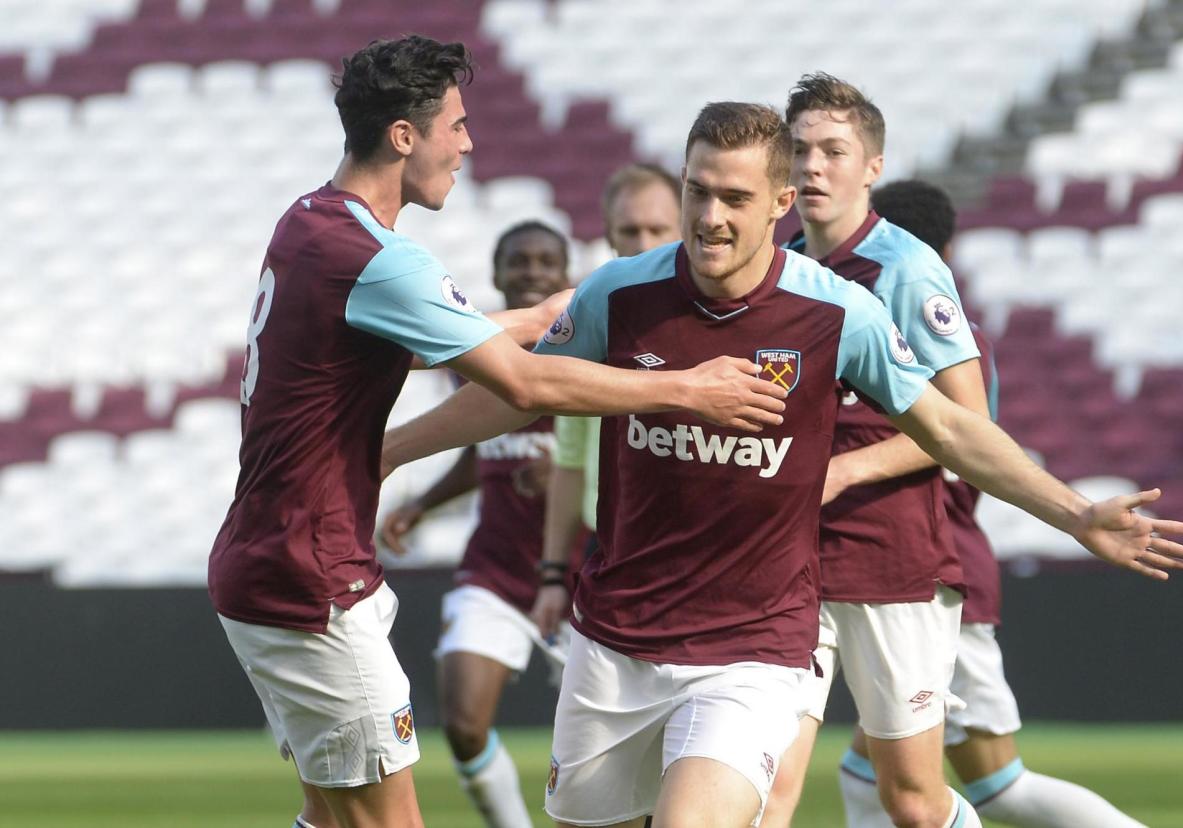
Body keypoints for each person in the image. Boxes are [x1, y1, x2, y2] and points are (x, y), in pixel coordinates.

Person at [379, 101, 1183, 828]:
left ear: (779, 204)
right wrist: (382, 454)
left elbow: (950, 428)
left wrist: (1072, 511)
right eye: (698, 191)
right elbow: (520, 395)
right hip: (618, 637)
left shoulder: (838, 312)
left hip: (754, 646)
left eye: (734, 198)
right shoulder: (617, 295)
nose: (709, 216)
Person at [206, 36, 787, 828]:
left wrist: (537, 317)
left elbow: (390, 341)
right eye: (456, 125)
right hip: (309, 576)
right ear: (404, 136)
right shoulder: (379, 257)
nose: (469, 143)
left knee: (332, 816)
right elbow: (521, 384)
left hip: (273, 556)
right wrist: (686, 389)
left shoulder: (307, 224)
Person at [830, 180, 1146, 827]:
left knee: (999, 787)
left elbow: (959, 439)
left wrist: (842, 470)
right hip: (875, 569)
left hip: (931, 572)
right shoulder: (877, 331)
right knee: (867, 777)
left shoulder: (946, 345)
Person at [379, 221, 574, 828]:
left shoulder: (586, 340)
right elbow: (480, 446)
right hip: (494, 563)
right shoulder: (471, 351)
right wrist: (422, 504)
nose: (532, 272)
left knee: (604, 748)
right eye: (519, 261)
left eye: (547, 262)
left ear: (565, 275)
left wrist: (573, 474)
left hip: (584, 568)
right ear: (496, 273)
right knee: (463, 723)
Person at [532, 163, 683, 643]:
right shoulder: (594, 324)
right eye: (629, 230)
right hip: (613, 547)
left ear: (685, 225)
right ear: (611, 236)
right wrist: (554, 574)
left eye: (657, 229)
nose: (642, 242)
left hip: (702, 546)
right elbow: (570, 462)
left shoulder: (723, 319)